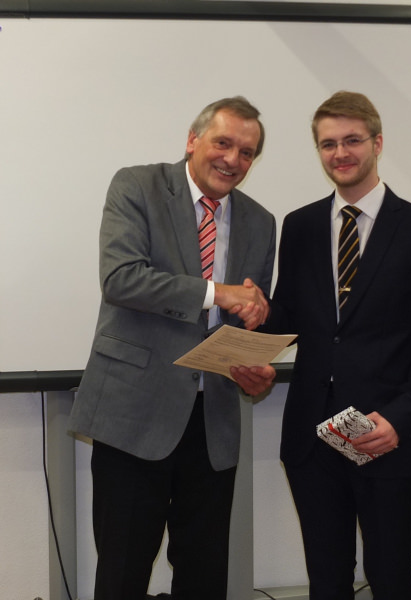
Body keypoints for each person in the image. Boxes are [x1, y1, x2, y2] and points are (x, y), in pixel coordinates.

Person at [69, 96, 277, 600]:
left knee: (204, 578)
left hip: (213, 423)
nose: (232, 159)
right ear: (192, 140)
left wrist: (256, 367)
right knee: (122, 574)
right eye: (223, 143)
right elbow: (121, 279)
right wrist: (216, 293)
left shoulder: (261, 222)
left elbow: (245, 319)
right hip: (134, 414)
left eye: (247, 152)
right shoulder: (137, 186)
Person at [264, 91, 411, 599]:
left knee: (391, 578)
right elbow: (288, 319)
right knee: (326, 579)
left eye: (352, 140)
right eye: (328, 144)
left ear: (377, 143)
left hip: (384, 437)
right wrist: (252, 318)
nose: (340, 153)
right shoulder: (300, 226)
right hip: (311, 438)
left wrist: (398, 420)